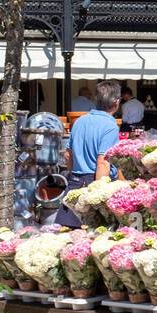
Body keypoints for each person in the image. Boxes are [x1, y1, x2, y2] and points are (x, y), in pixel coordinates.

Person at [57, 80, 122, 226]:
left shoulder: (80, 121)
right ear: (116, 102)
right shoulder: (110, 126)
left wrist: (74, 173)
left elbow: (68, 155)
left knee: (69, 238)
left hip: (74, 183)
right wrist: (99, 194)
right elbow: (103, 162)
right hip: (95, 183)